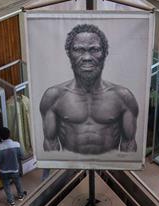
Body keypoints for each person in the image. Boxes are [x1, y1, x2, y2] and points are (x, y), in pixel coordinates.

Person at [40, 24, 139, 155]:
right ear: (69, 54)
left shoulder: (123, 97)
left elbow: (129, 143)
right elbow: (50, 143)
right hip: (71, 165)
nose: (87, 57)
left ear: (105, 53)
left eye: (94, 49)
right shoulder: (53, 97)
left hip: (109, 165)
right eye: (78, 50)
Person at [0, 127, 27, 206]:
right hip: (15, 170)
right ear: (9, 134)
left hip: (3, 172)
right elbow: (22, 156)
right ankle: (21, 195)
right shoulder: (17, 144)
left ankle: (11, 202)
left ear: (0, 136)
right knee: (18, 182)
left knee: (6, 186)